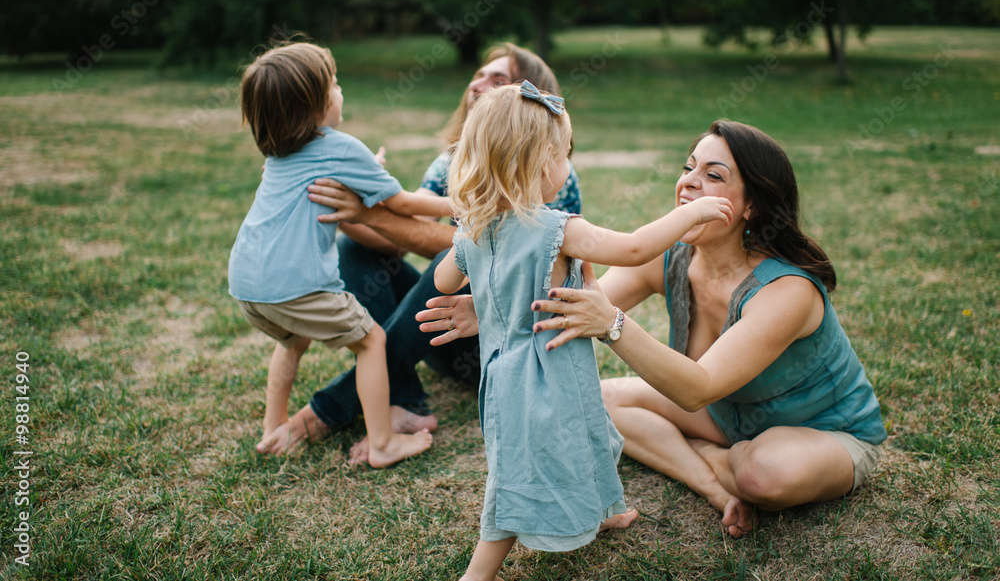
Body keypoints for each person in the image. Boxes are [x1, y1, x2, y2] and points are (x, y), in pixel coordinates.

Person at [423, 119, 888, 538]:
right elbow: (572, 304)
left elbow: (697, 388)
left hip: (820, 431)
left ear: (752, 206)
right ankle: (711, 480)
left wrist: (612, 325)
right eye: (689, 168)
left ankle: (711, 457)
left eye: (714, 175)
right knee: (600, 401)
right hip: (726, 416)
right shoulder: (673, 257)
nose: (689, 181)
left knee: (762, 476)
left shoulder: (787, 291)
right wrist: (493, 308)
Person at [435, 82, 734, 580]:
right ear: (542, 163)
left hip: (509, 375)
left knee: (593, 437)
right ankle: (478, 574)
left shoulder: (475, 230)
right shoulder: (558, 228)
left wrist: (472, 242)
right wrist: (690, 214)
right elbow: (634, 248)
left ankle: (603, 511)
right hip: (544, 375)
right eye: (565, 154)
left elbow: (445, 281)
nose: (568, 165)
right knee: (517, 475)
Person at [261, 44, 582, 458]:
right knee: (356, 250)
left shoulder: (552, 171)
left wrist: (369, 213)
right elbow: (400, 236)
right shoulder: (450, 163)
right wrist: (341, 208)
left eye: (498, 79)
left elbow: (489, 248)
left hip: (503, 339)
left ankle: (329, 409)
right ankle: (404, 401)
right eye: (479, 74)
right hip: (445, 330)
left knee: (452, 258)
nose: (478, 84)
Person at [230, 42, 449, 466]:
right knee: (371, 340)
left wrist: (368, 167)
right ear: (315, 106)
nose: (340, 90)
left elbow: (340, 175)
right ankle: (383, 442)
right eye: (334, 84)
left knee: (292, 342)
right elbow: (403, 203)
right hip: (297, 285)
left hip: (246, 283)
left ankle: (272, 427)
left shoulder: (278, 154)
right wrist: (462, 204)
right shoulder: (342, 147)